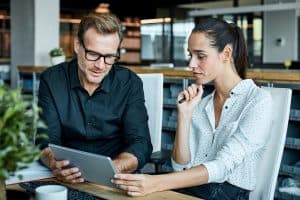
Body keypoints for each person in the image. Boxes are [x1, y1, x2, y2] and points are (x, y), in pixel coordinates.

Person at [112, 18, 272, 199]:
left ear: (226, 54)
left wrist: (155, 183)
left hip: (228, 192)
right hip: (196, 188)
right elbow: (180, 167)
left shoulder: (258, 101)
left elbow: (222, 167)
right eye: (190, 55)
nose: (191, 65)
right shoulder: (202, 104)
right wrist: (185, 115)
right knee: (124, 189)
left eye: (201, 56)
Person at [37, 13, 153, 184]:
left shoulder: (130, 83)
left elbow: (140, 143)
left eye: (109, 57)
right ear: (77, 46)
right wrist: (54, 163)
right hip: (66, 178)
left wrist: (112, 169)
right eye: (93, 54)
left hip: (116, 179)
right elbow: (45, 140)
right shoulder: (52, 80)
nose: (100, 65)